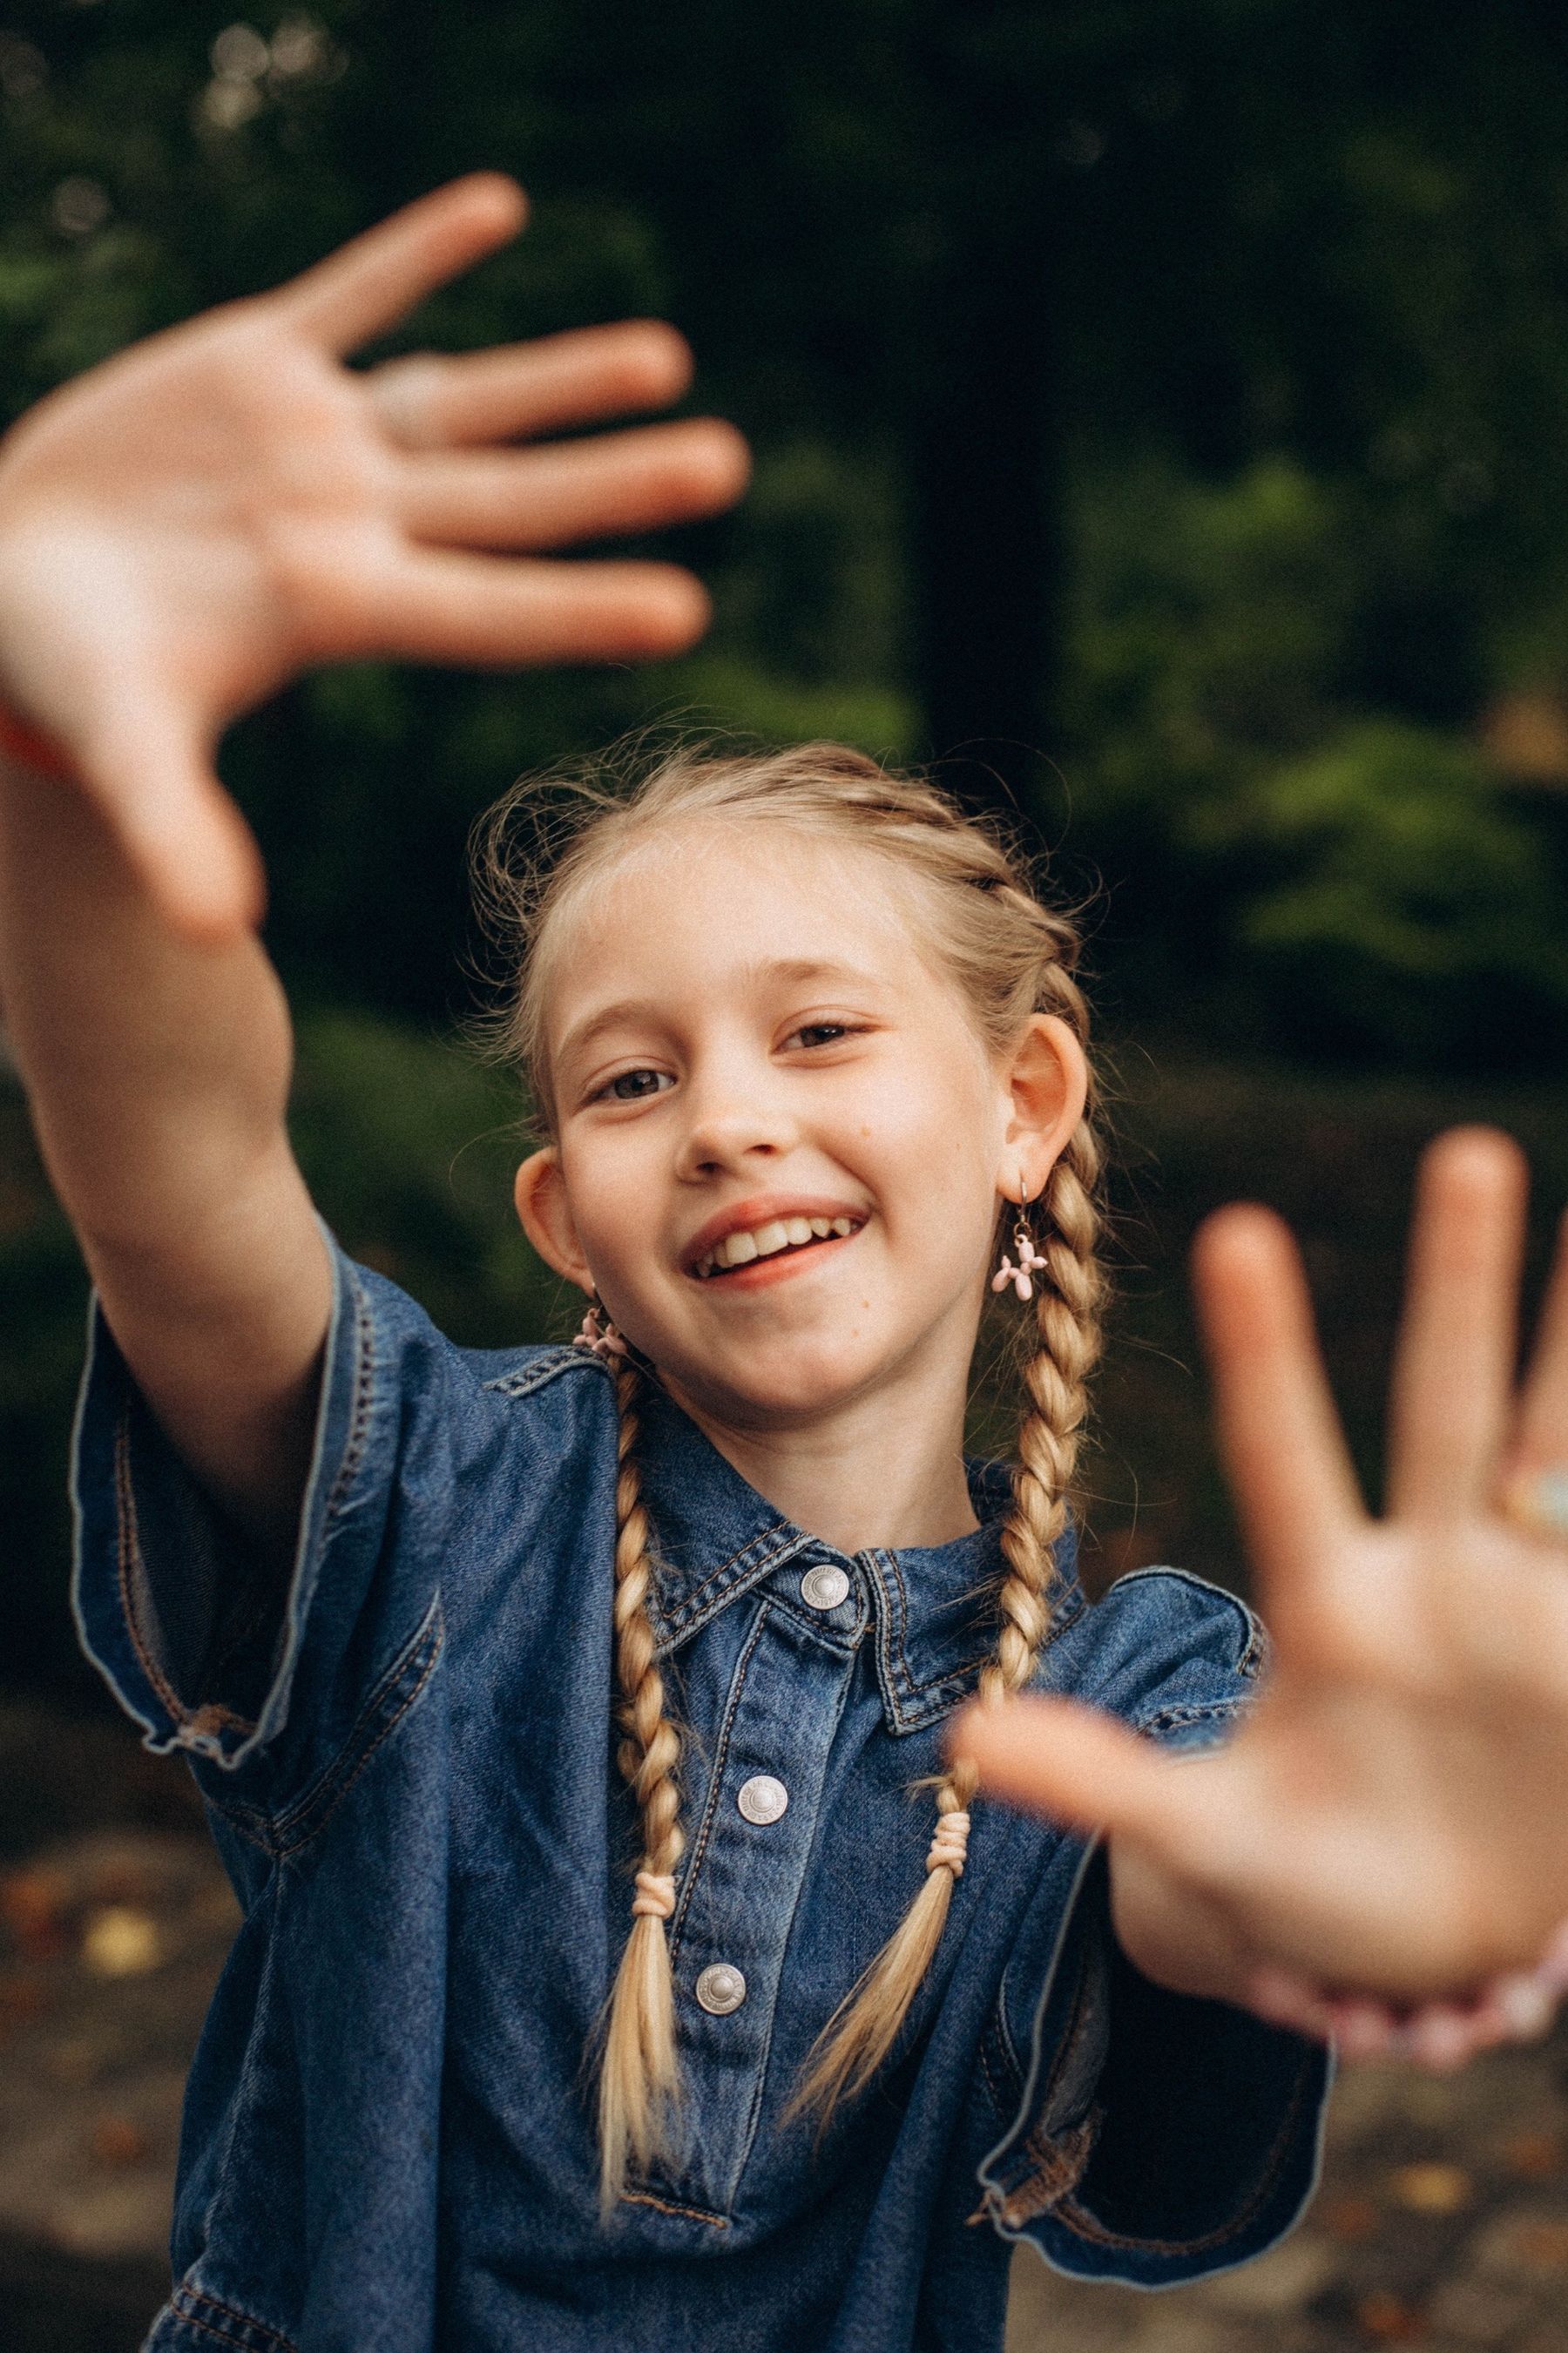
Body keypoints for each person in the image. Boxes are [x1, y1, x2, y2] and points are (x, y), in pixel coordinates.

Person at [2, 176, 1568, 2353]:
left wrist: (1366, 1880)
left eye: (820, 1032)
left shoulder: (1127, 1702)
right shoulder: (431, 1510)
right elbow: (175, 1164)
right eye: (631, 1081)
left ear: (1023, 1105)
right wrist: (55, 747)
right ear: (565, 1221)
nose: (730, 1118)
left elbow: (1199, 1885)